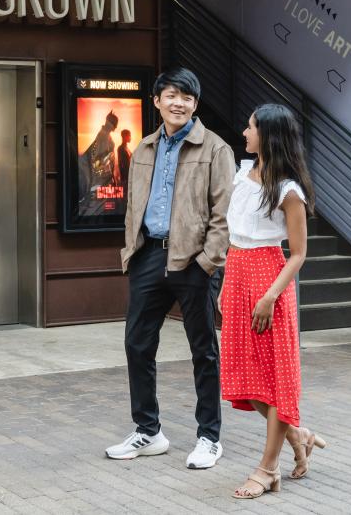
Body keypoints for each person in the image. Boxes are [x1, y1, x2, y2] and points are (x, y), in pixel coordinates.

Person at [106, 67, 235, 470]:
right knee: (137, 344)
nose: (179, 103)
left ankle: (208, 437)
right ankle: (149, 431)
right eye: (172, 95)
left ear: (195, 105)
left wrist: (207, 262)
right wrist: (133, 249)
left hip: (193, 261)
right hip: (149, 256)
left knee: (203, 351)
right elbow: (133, 205)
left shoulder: (215, 149)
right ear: (157, 100)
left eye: (188, 97)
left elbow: (224, 214)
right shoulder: (144, 147)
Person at [220, 103, 327, 499]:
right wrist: (227, 288)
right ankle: (298, 435)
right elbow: (235, 238)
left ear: (267, 133)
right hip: (237, 272)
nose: (244, 132)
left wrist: (269, 295)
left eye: (250, 126)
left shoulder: (288, 189)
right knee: (245, 381)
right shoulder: (243, 176)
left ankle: (267, 469)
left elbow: (298, 253)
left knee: (273, 380)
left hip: (269, 279)